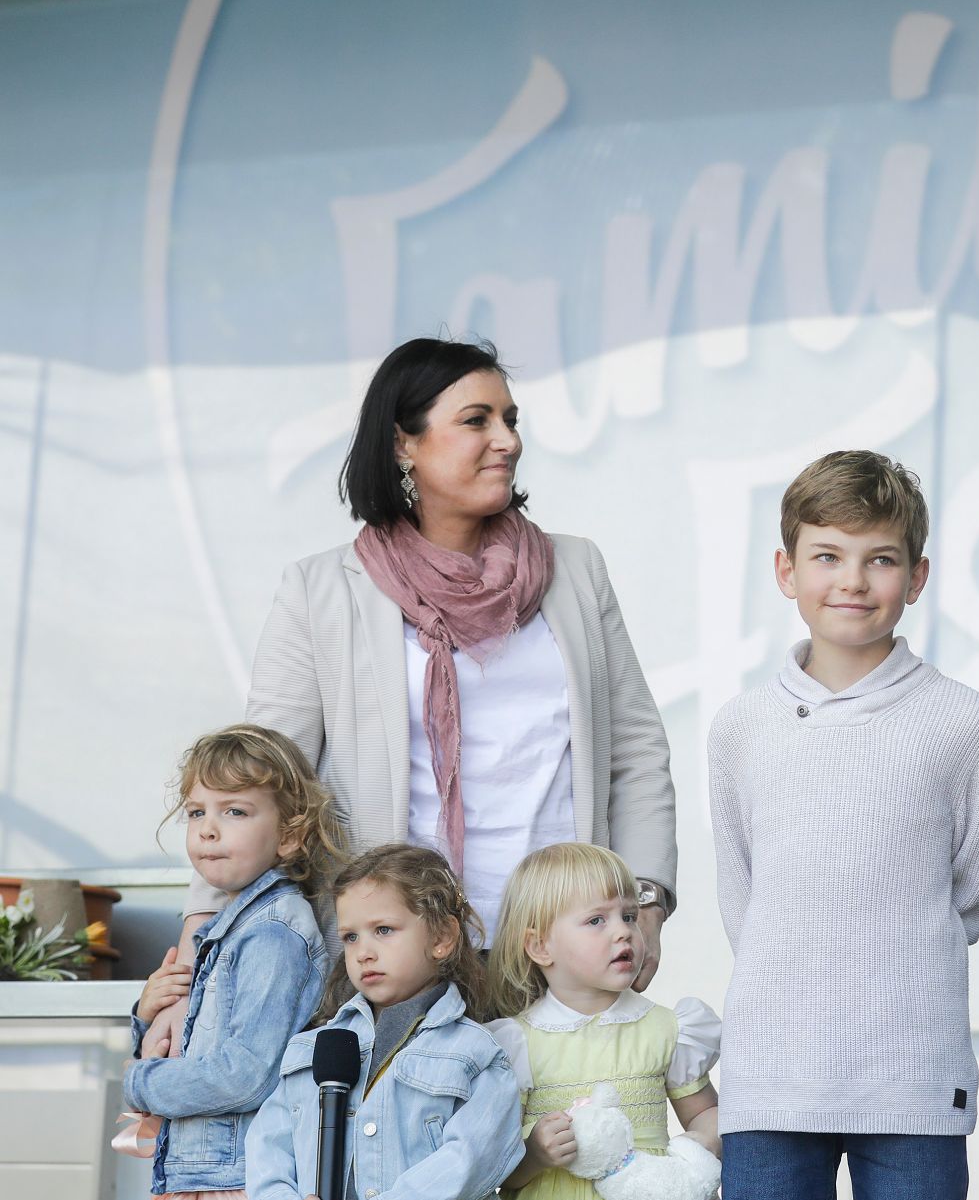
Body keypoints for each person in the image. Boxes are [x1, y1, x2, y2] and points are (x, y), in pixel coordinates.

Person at [158, 337, 677, 1063]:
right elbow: (255, 785)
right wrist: (196, 954)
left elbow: (637, 752)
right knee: (403, 1172)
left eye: (510, 418)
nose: (508, 440)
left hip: (562, 955)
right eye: (477, 420)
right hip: (395, 966)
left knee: (567, 1166)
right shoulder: (321, 590)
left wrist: (646, 906)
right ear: (404, 441)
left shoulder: (576, 571)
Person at [709, 450, 979, 1200]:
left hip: (910, 1071)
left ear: (916, 577)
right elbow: (742, 894)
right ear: (786, 571)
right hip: (771, 1073)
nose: (853, 580)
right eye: (829, 555)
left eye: (880, 558)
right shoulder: (741, 727)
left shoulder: (963, 721)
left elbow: (970, 891)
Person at [57, 726, 340, 1200]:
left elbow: (244, 1073)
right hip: (200, 1183)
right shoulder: (232, 924)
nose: (208, 829)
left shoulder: (273, 933)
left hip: (234, 1187)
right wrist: (147, 1015)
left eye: (235, 811)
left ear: (290, 834)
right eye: (196, 812)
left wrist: (141, 1082)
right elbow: (202, 1041)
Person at [246, 845, 522, 1200]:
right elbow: (268, 1141)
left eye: (384, 931)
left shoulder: (478, 1054)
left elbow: (469, 1165)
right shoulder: (314, 1047)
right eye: (350, 936)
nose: (364, 951)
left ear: (441, 937)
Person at [483, 841, 727, 1200]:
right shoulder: (517, 1043)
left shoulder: (664, 1028)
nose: (623, 932)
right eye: (597, 920)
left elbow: (706, 1116)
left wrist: (696, 1147)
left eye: (630, 916)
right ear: (540, 946)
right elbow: (497, 1172)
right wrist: (534, 1153)